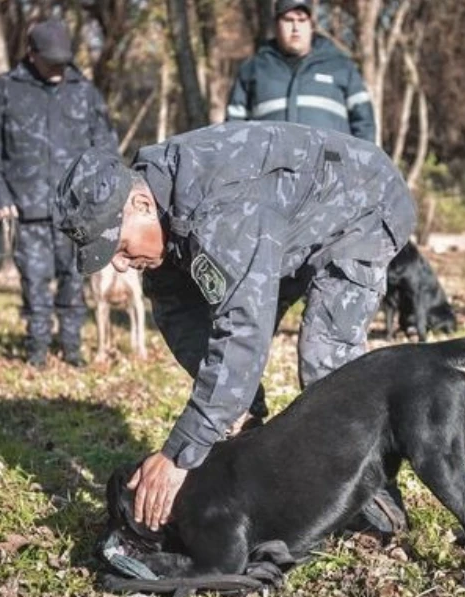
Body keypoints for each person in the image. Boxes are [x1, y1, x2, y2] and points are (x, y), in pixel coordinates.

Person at [54, 121, 416, 532]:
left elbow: (243, 331)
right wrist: (237, 411)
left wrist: (179, 453)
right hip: (288, 222)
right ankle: (254, 450)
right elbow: (180, 316)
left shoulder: (220, 208)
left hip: (363, 203)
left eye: (119, 247)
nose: (120, 265)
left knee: (325, 360)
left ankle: (378, 506)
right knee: (234, 386)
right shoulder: (163, 206)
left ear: (140, 203)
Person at [0, 18, 118, 368]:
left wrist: (102, 195)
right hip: (26, 209)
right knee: (35, 284)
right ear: (31, 54)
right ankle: (37, 349)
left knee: (74, 282)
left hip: (76, 209)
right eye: (51, 61)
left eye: (63, 61)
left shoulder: (85, 92)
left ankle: (72, 348)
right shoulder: (5, 91)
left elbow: (106, 147)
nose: (58, 68)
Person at [226, 0, 376, 143]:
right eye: (288, 20)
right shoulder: (253, 69)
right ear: (276, 25)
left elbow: (364, 125)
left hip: (330, 161)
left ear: (311, 25)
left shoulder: (342, 67)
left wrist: (359, 160)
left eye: (302, 20)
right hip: (271, 162)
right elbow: (233, 131)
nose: (295, 28)